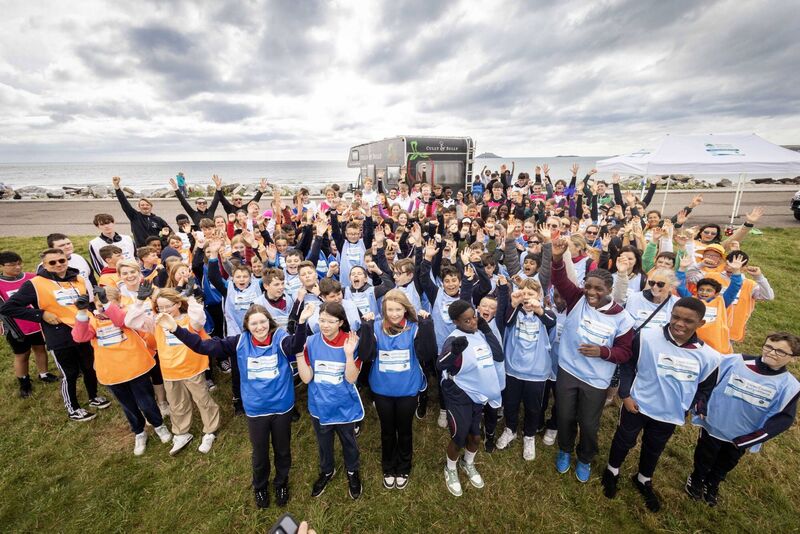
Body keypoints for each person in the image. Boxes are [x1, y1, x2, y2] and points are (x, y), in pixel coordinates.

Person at [162, 302, 314, 508]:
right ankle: (260, 487)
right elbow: (203, 346)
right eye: (254, 324)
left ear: (269, 323)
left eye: (262, 322)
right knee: (259, 453)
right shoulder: (240, 341)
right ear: (247, 326)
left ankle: (281, 483)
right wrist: (176, 329)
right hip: (256, 409)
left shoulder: (280, 339)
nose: (259, 327)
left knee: (283, 450)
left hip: (281, 407)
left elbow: (296, 346)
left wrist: (303, 322)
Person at [602, 297, 721, 512]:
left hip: (669, 414)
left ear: (701, 324)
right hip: (636, 405)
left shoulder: (710, 357)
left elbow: (705, 388)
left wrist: (690, 407)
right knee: (624, 439)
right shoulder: (646, 336)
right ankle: (612, 471)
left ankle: (643, 478)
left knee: (654, 447)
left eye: (688, 321)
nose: (679, 324)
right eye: (675, 317)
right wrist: (625, 394)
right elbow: (628, 365)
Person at [550, 236, 635, 482]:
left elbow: (625, 353)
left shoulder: (621, 318)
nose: (592, 293)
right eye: (589, 287)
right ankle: (565, 450)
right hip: (568, 369)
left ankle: (585, 457)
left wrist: (602, 352)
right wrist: (557, 257)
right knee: (565, 416)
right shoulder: (577, 298)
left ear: (610, 291)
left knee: (588, 423)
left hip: (596, 379)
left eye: (599, 289)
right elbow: (559, 279)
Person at [686, 332, 800, 507]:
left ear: (793, 359)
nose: (771, 353)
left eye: (780, 352)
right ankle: (697, 478)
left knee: (727, 461)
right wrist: (701, 403)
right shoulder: (735, 361)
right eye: (769, 346)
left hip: (742, 436)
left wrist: (754, 437)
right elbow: (708, 381)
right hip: (714, 424)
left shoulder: (790, 386)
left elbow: (783, 419)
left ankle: (713, 483)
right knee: (704, 455)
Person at [0, 248, 109, 421]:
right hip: (59, 335)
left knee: (89, 367)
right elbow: (7, 307)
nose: (58, 264)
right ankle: (73, 408)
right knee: (70, 373)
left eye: (62, 261)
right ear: (44, 265)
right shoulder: (35, 284)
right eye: (52, 262)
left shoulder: (77, 279)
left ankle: (93, 397)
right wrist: (40, 314)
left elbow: (83, 304)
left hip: (83, 329)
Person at [71, 288, 173, 455]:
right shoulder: (92, 321)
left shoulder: (127, 315)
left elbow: (120, 321)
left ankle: (158, 425)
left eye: (108, 304)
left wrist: (108, 306)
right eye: (99, 305)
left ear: (118, 303)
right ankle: (139, 432)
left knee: (146, 401)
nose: (103, 309)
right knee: (128, 405)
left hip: (136, 368)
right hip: (111, 372)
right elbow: (80, 337)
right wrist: (82, 313)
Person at [125, 287, 221, 455]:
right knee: (177, 403)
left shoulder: (188, 320)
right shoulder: (156, 322)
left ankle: (210, 430)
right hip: (170, 371)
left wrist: (191, 297)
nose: (164, 311)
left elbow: (200, 318)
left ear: (177, 304)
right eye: (160, 307)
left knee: (202, 400)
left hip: (192, 369)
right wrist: (139, 302)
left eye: (168, 306)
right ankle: (181, 432)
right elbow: (131, 322)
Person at [357, 290, 436, 489]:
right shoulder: (375, 327)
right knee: (387, 430)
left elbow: (428, 354)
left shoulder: (414, 327)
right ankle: (388, 466)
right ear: (383, 310)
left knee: (405, 430)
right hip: (382, 390)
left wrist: (427, 326)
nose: (394, 314)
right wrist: (365, 328)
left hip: (407, 390)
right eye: (390, 309)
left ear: (405, 309)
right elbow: (365, 355)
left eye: (398, 309)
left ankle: (404, 466)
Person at [295, 302, 364, 500]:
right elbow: (307, 378)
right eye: (321, 320)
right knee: (324, 442)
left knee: (348, 441)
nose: (324, 325)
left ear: (341, 322)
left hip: (344, 405)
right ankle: (327, 470)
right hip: (320, 405)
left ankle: (352, 470)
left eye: (330, 322)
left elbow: (351, 378)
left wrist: (349, 355)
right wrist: (300, 353)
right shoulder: (312, 342)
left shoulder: (352, 341)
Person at [438, 299, 504, 497]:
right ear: (456, 322)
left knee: (475, 436)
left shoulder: (479, 334)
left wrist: (486, 330)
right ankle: (450, 468)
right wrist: (454, 352)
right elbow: (441, 365)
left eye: (473, 317)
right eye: (467, 321)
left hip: (478, 393)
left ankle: (468, 463)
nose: (473, 322)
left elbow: (499, 355)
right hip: (459, 394)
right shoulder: (454, 339)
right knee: (459, 437)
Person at [494, 278, 558, 461]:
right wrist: (514, 303)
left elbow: (551, 321)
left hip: (537, 372)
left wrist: (538, 309)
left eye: (531, 294)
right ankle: (510, 429)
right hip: (513, 369)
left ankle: (529, 436)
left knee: (533, 407)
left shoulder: (545, 314)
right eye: (524, 294)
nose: (527, 298)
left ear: (539, 296)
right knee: (511, 403)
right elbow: (506, 321)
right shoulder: (514, 312)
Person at [0, 251, 57, 398]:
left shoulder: (32, 278)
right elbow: (4, 310)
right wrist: (11, 329)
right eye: (12, 265)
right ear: (1, 266)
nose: (17, 267)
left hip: (36, 323)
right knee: (22, 355)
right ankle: (24, 382)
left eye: (19, 264)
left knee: (40, 348)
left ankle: (44, 374)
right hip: (16, 328)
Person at [112, 176, 172, 247]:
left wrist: (163, 240)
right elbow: (124, 202)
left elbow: (170, 233)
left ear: (151, 206)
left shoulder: (158, 219)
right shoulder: (134, 216)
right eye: (142, 205)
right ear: (139, 207)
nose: (145, 206)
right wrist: (117, 187)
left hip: (157, 249)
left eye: (147, 205)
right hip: (142, 249)